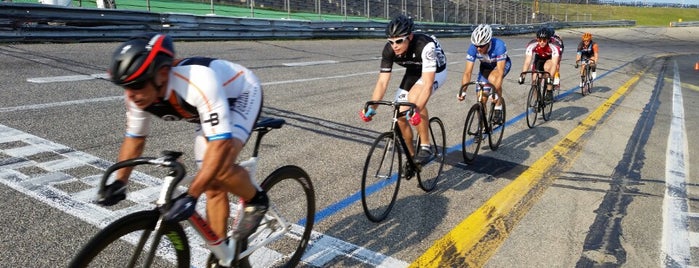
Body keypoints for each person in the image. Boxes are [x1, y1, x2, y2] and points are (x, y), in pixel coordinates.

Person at [99, 33, 268, 243]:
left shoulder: (198, 80)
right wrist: (120, 181)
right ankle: (222, 255)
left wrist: (191, 195)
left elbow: (221, 145)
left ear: (161, 74)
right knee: (212, 186)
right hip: (205, 108)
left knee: (220, 168)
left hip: (241, 93)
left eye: (136, 85)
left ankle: (256, 200)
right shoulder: (139, 93)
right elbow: (135, 138)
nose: (130, 95)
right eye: (126, 86)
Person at [360, 14, 447, 169]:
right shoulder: (389, 50)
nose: (395, 46)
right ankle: (412, 158)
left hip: (436, 71)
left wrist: (417, 110)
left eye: (399, 41)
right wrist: (372, 108)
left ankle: (426, 146)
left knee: (414, 100)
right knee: (399, 113)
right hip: (414, 71)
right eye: (391, 41)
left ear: (410, 37)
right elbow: (382, 82)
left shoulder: (425, 46)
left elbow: (427, 85)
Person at [460, 24, 511, 124]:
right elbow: (467, 72)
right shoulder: (473, 48)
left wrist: (495, 92)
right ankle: (482, 125)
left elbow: (500, 72)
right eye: (476, 45)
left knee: (494, 79)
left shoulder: (499, 46)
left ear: (488, 42)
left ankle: (498, 106)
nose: (478, 48)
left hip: (500, 66)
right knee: (481, 98)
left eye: (481, 46)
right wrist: (463, 90)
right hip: (486, 68)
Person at [518, 27, 561, 101]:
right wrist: (523, 75)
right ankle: (537, 100)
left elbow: (554, 64)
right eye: (539, 40)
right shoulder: (532, 44)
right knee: (534, 82)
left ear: (548, 40)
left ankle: (549, 90)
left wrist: (550, 78)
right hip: (539, 58)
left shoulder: (554, 46)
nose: (541, 42)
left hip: (550, 58)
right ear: (537, 39)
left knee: (548, 69)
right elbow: (527, 61)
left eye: (544, 40)